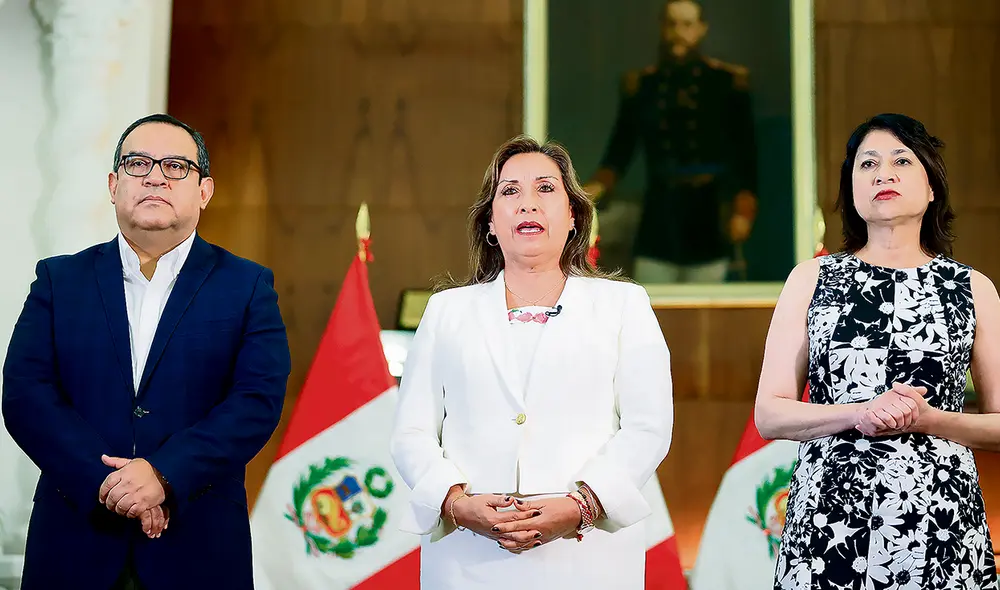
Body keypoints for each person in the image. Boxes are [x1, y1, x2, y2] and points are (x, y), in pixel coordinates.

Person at [1, 113, 291, 590]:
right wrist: (112, 487)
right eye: (138, 163)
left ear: (204, 191)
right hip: (75, 540)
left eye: (176, 166)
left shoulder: (247, 286)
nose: (155, 175)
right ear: (114, 185)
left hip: (198, 544)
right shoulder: (59, 280)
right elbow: (26, 396)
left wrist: (164, 474)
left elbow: (255, 402)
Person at [389, 136, 673, 589]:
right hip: (470, 557)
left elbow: (648, 428)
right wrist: (455, 503)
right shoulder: (446, 311)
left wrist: (582, 506)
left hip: (587, 555)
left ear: (573, 216)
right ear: (490, 224)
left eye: (545, 189)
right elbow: (412, 432)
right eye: (510, 191)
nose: (527, 205)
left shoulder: (624, 305)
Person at [754, 113, 998, 589]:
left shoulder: (972, 287)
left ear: (932, 189)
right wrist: (860, 413)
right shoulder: (811, 278)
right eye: (867, 164)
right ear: (852, 191)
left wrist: (931, 420)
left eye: (901, 160)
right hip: (829, 520)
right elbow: (770, 414)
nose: (883, 173)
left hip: (940, 522)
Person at [584, 0, 758, 284]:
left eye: (687, 25)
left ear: (701, 30)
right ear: (662, 29)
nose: (679, 32)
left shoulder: (725, 84)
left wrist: (743, 210)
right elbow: (620, 150)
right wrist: (595, 188)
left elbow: (746, 153)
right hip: (660, 215)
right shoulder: (643, 87)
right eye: (672, 24)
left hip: (708, 215)